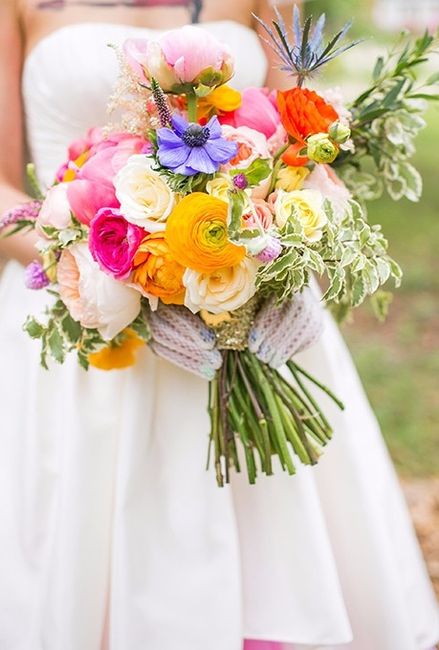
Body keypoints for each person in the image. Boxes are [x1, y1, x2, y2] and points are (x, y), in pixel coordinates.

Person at [0, 1, 437, 649]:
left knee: (281, 553)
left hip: (250, 307)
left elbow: (302, 144)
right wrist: (106, 258)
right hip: (85, 319)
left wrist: (292, 225)